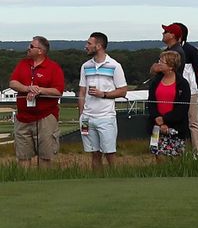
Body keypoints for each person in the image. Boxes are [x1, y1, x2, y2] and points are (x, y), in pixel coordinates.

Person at [8, 36, 65, 168]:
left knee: (45, 156)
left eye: (31, 46)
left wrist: (40, 90)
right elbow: (13, 82)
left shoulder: (53, 68)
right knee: (23, 156)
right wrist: (27, 88)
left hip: (45, 118)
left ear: (40, 51)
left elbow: (58, 91)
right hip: (23, 118)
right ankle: (23, 184)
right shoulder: (23, 63)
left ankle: (44, 184)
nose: (28, 48)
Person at [77, 32, 128, 170]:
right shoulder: (85, 66)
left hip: (106, 117)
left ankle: (116, 180)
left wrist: (103, 94)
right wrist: (82, 114)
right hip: (87, 118)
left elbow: (123, 90)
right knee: (94, 153)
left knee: (110, 153)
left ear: (98, 46)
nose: (86, 46)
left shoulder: (114, 65)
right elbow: (82, 91)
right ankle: (96, 183)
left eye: (89, 43)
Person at [147, 51, 191, 159]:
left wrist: (165, 120)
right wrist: (157, 118)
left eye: (162, 62)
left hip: (176, 127)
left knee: (176, 158)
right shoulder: (155, 81)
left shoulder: (182, 84)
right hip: (156, 126)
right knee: (158, 157)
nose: (159, 63)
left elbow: (183, 107)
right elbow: (151, 102)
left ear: (171, 66)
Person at [172, 22, 198, 155]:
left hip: (191, 91)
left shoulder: (190, 50)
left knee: (193, 122)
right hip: (174, 92)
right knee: (178, 121)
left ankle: (197, 153)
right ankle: (179, 151)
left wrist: (193, 87)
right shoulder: (170, 50)